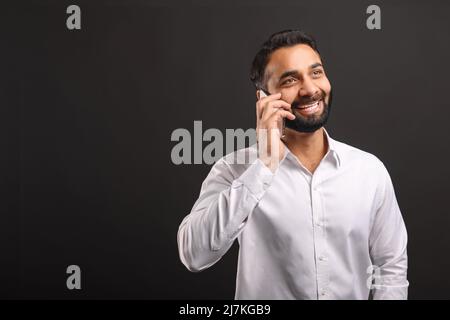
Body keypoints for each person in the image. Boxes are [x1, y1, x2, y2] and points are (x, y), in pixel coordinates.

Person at [177, 29, 408, 300]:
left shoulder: (369, 171)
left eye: (316, 72)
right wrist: (265, 164)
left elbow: (390, 267)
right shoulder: (234, 169)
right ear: (263, 98)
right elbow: (194, 254)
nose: (310, 89)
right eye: (290, 80)